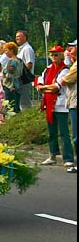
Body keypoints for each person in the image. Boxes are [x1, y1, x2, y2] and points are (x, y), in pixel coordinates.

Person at [36, 45, 73, 168]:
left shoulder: (64, 70)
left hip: (60, 104)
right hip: (49, 104)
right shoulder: (47, 69)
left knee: (63, 132)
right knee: (51, 132)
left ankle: (68, 157)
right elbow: (39, 82)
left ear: (61, 55)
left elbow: (57, 86)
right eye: (52, 54)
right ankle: (52, 154)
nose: (53, 57)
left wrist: (44, 88)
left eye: (56, 54)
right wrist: (45, 87)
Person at [61, 39, 77, 173]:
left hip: (75, 102)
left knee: (76, 135)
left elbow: (66, 80)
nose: (70, 49)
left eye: (73, 47)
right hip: (73, 101)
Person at [15, 30, 36, 110]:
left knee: (24, 103)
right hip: (20, 79)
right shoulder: (21, 49)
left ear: (25, 38)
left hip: (24, 79)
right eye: (16, 37)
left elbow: (29, 64)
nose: (17, 38)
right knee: (20, 102)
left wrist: (20, 74)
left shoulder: (27, 49)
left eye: (19, 36)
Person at [2, 41, 23, 114]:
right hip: (18, 85)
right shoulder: (19, 60)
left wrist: (4, 78)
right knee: (16, 105)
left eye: (6, 50)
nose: (5, 52)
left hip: (11, 86)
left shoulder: (12, 61)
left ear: (12, 50)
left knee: (11, 106)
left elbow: (10, 72)